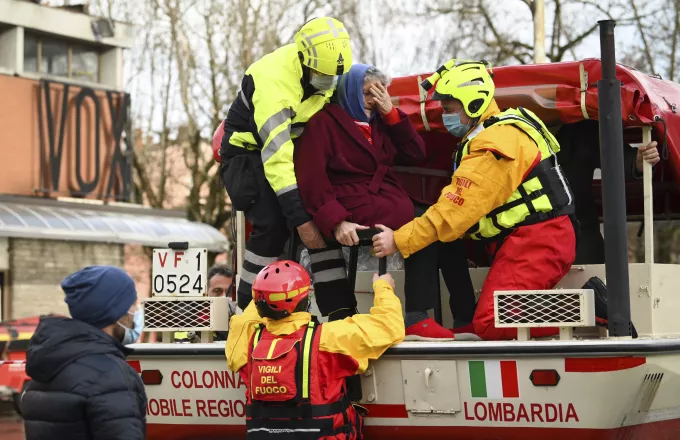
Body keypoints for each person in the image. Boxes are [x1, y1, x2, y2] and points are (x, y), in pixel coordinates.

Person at [372, 59, 585, 341]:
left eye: (449, 109)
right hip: (534, 238)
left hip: (540, 239)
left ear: (473, 104)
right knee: (487, 319)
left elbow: (453, 214)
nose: (445, 116)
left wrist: (398, 240)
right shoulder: (497, 132)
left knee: (490, 322)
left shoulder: (495, 143)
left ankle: (589, 306)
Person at [294, 63, 471, 339]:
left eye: (381, 92)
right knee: (425, 227)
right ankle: (416, 314)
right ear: (350, 91)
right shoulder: (323, 123)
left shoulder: (380, 121)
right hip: (352, 204)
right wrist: (336, 221)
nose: (375, 100)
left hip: (384, 199)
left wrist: (391, 113)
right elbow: (311, 179)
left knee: (445, 228)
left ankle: (464, 316)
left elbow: (416, 153)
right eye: (368, 93)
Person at [219, 17, 353, 314]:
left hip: (295, 149)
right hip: (249, 154)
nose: (329, 82)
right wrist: (301, 222)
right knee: (272, 224)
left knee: (324, 218)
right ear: (305, 61)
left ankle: (340, 313)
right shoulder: (274, 85)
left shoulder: (326, 68)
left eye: (334, 76)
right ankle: (249, 312)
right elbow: (277, 159)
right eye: (322, 74)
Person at [226, 260, 404, 439]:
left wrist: (265, 291)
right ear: (305, 301)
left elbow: (244, 319)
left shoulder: (247, 339)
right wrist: (383, 286)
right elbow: (390, 325)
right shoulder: (327, 339)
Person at [21, 266, 146, 440]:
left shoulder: (48, 366)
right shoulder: (110, 375)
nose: (136, 314)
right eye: (132, 305)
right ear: (115, 313)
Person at [556, 119, 661, 264]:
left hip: (579, 236)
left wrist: (637, 162)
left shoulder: (582, 126)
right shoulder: (515, 127)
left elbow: (614, 155)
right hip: (525, 239)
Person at [175, 264, 234, 342]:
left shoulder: (243, 323)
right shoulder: (190, 323)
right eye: (217, 291)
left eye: (229, 292)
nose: (224, 296)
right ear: (206, 293)